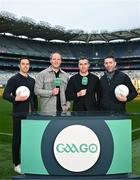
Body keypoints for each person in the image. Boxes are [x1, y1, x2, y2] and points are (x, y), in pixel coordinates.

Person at [3, 57, 38, 174]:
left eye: (27, 64)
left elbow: (33, 97)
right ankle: (17, 164)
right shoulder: (13, 79)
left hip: (31, 115)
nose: (25, 66)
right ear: (19, 65)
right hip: (18, 114)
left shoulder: (32, 80)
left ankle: (29, 161)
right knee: (17, 140)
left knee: (30, 140)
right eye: (23, 64)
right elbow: (5, 95)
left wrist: (35, 110)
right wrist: (15, 98)